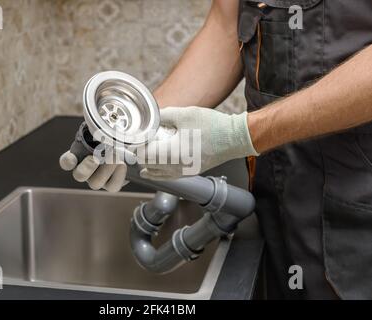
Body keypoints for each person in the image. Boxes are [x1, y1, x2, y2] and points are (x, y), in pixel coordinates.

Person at [61, 0, 372, 299]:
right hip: (278, 205)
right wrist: (135, 133)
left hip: (358, 216)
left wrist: (240, 134)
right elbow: (225, 28)